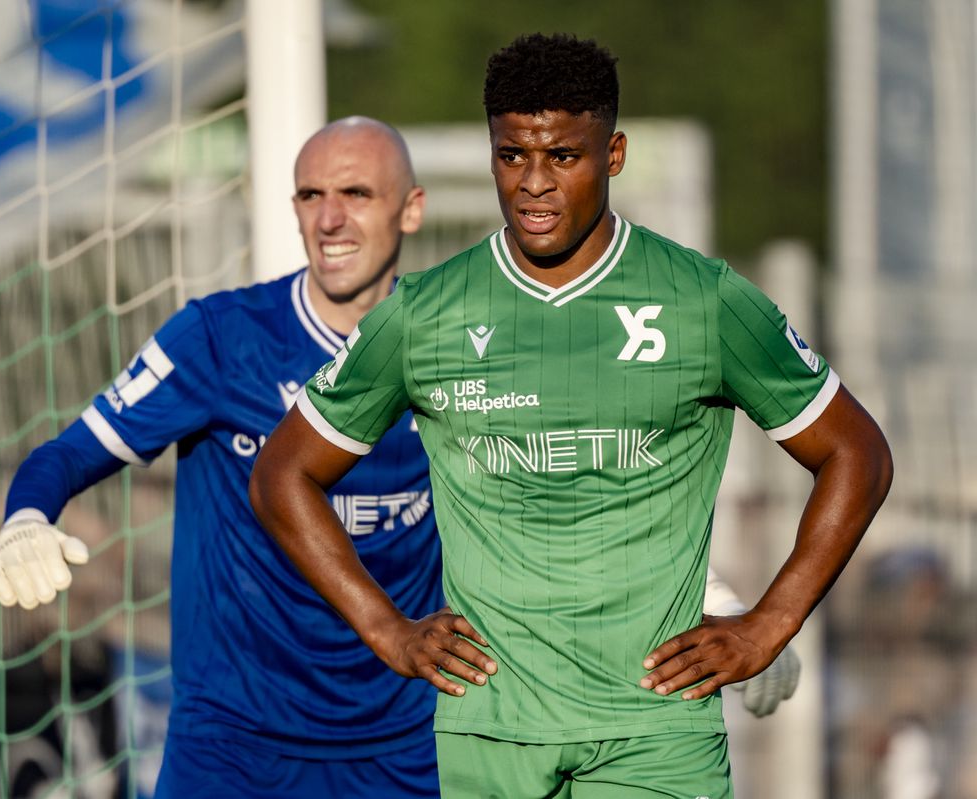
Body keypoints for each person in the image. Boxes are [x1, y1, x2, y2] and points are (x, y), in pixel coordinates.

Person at [249, 34, 893, 799]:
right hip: (489, 730)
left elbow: (857, 452)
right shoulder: (422, 315)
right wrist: (386, 626)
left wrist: (768, 621)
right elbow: (282, 474)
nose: (534, 183)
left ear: (612, 155)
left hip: (656, 730)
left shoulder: (703, 301)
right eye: (513, 154)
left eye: (562, 156)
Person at [0, 116, 442, 798]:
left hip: (406, 742)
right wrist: (24, 515)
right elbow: (71, 452)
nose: (331, 218)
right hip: (232, 747)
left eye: (357, 193)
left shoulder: (457, 348)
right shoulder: (220, 337)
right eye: (312, 196)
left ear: (411, 208)